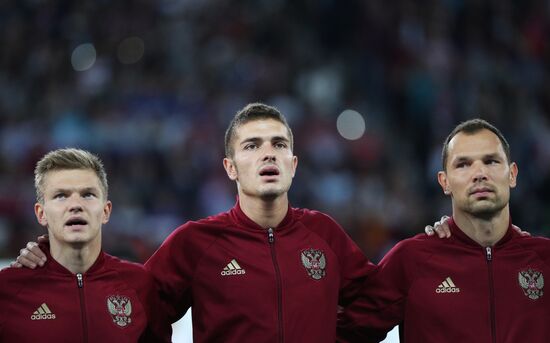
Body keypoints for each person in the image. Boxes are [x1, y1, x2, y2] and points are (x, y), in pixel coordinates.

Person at [13, 103, 451, 342]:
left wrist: (445, 241)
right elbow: (129, 308)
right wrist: (50, 264)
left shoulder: (324, 234)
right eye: (252, 145)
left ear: (293, 164)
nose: (267, 154)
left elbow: (379, 297)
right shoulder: (196, 243)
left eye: (278, 144)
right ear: (229, 167)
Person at [339, 119, 550, 342]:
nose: (479, 173)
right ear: (444, 182)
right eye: (463, 164)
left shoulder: (544, 258)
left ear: (512, 174)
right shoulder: (412, 260)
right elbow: (341, 333)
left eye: (491, 161)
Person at [0, 148, 170, 342]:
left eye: (87, 194)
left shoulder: (140, 285)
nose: (76, 205)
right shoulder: (7, 289)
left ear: (106, 211)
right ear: (41, 213)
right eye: (61, 196)